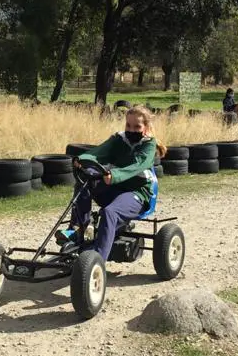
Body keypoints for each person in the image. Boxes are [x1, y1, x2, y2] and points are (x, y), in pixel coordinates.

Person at [57, 105, 167, 262]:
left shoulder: (148, 145)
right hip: (114, 189)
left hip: (137, 194)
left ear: (146, 127)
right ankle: (79, 229)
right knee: (84, 182)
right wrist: (82, 160)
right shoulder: (119, 139)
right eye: (128, 125)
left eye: (137, 126)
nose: (131, 130)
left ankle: (97, 260)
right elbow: (99, 152)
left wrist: (114, 175)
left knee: (110, 212)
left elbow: (136, 166)